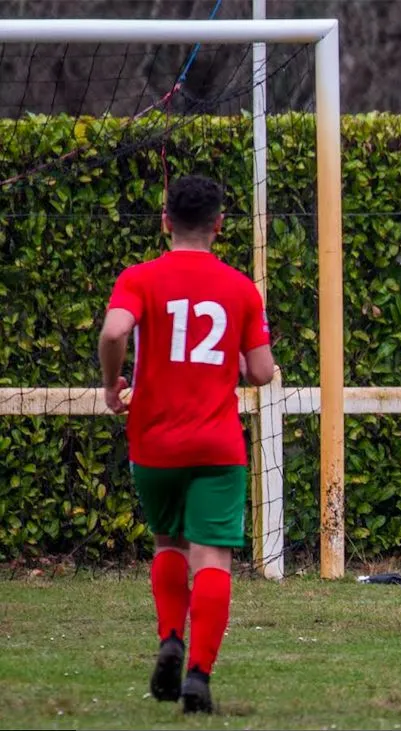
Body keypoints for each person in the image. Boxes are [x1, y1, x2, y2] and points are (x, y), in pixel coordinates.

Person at [98, 175, 277, 713]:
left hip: (154, 442)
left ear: (165, 221)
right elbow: (261, 371)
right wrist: (240, 359)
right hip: (217, 445)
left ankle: (171, 639)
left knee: (168, 544)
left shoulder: (139, 278)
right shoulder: (241, 289)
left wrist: (111, 385)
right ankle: (198, 676)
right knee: (213, 557)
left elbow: (113, 332)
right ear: (219, 225)